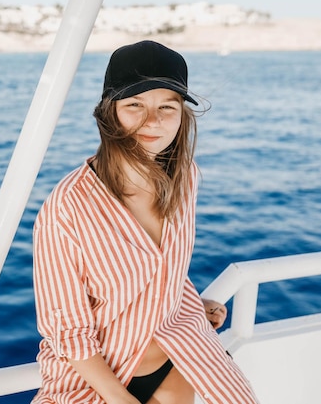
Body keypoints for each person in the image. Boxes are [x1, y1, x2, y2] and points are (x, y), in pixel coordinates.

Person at [31, 40, 259, 404]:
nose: (152, 121)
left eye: (166, 106)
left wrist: (183, 301)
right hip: (99, 382)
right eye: (134, 104)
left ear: (182, 114)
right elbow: (69, 331)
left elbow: (163, 266)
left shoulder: (186, 178)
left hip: (179, 352)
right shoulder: (67, 209)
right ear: (110, 112)